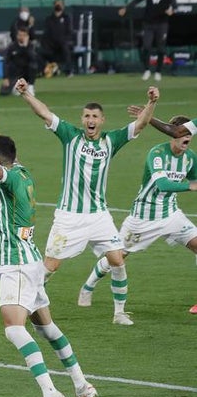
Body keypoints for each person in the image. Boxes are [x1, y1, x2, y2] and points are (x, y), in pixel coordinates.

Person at [0, 109, 97, 397]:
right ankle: (81, 385)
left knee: (14, 328)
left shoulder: (4, 177)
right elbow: (2, 154)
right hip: (31, 258)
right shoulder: (22, 171)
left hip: (16, 263)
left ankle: (51, 393)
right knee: (47, 328)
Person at [13, 84, 159, 325]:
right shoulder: (70, 136)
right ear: (82, 119)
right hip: (69, 217)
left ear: (102, 120)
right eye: (86, 116)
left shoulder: (112, 141)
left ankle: (119, 313)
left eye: (94, 116)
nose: (90, 120)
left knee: (117, 260)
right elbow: (44, 113)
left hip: (99, 216)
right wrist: (26, 93)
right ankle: (25, 301)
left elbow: (140, 124)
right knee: (50, 266)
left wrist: (152, 102)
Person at [79, 112, 197, 312]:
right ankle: (88, 286)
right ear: (173, 135)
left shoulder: (190, 158)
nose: (186, 138)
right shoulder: (157, 153)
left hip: (171, 214)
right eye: (182, 134)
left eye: (189, 135)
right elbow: (162, 184)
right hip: (143, 218)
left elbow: (195, 179)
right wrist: (190, 186)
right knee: (116, 257)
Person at [118, 0, 177, 82]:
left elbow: (174, 3)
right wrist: (126, 8)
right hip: (148, 23)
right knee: (146, 47)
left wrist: (172, 9)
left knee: (160, 49)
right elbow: (138, 0)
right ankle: (147, 70)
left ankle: (158, 71)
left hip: (162, 24)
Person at [0, 27, 40, 97]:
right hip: (14, 74)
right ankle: (20, 88)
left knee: (33, 65)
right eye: (20, 35)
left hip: (27, 74)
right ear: (17, 35)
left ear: (27, 36)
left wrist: (25, 47)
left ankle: (30, 86)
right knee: (4, 91)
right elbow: (5, 62)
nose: (21, 37)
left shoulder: (30, 46)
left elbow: (34, 59)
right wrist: (5, 77)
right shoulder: (11, 46)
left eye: (24, 35)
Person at [41, 0, 75, 77]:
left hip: (63, 43)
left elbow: (69, 32)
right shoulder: (49, 19)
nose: (58, 6)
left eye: (60, 4)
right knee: (41, 52)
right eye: (56, 4)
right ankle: (45, 71)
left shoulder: (66, 18)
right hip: (51, 44)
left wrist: (64, 40)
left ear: (63, 6)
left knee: (66, 49)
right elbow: (46, 33)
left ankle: (68, 71)